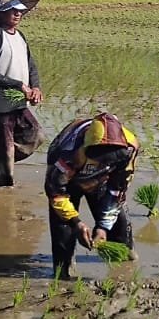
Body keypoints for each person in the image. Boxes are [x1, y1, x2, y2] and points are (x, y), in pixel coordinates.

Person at [44, 112, 139, 277]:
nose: (101, 162)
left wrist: (103, 227)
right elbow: (56, 193)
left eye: (108, 160)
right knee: (63, 232)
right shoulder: (68, 152)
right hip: (68, 183)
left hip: (102, 181)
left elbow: (117, 190)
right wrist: (76, 222)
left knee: (120, 232)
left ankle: (125, 270)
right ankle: (64, 272)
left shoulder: (129, 147)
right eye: (100, 159)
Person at [0, 0, 43, 187]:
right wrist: (19, 85)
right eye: (12, 10)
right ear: (1, 12)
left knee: (36, 136)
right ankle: (2, 190)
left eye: (20, 10)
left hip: (18, 103)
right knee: (6, 177)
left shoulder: (19, 36)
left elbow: (30, 65)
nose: (17, 14)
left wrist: (35, 87)